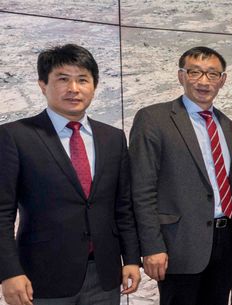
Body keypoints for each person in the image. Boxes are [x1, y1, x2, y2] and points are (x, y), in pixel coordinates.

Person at [0, 44, 140, 305]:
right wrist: (9, 272)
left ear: (94, 86)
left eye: (82, 80)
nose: (73, 89)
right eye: (63, 79)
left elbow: (123, 206)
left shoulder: (113, 137)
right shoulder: (15, 136)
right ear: (43, 84)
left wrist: (131, 258)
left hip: (105, 274)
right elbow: (2, 212)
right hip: (41, 276)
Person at [130, 46, 232, 305]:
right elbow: (141, 189)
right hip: (178, 244)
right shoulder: (153, 118)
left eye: (212, 74)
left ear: (222, 80)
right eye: (195, 72)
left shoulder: (224, 123)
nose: (204, 81)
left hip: (224, 240)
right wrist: (151, 246)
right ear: (181, 76)